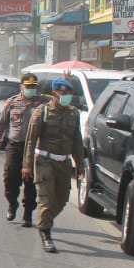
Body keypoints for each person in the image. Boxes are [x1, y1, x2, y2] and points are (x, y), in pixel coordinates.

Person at [22, 78, 84, 254]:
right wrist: (27, 165)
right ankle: (45, 231)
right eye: (63, 93)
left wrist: (80, 163)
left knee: (62, 199)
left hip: (64, 163)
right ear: (55, 94)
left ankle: (44, 219)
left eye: (69, 94)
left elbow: (77, 140)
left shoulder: (74, 114)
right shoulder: (42, 112)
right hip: (44, 162)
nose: (66, 97)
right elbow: (31, 140)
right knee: (46, 199)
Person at [0, 73, 46, 227]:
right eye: (28, 86)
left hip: (34, 148)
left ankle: (27, 214)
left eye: (34, 87)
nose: (31, 89)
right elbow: (1, 126)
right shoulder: (12, 102)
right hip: (15, 145)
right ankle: (12, 204)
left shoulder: (43, 104)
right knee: (10, 179)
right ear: (21, 86)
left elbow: (59, 103)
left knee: (31, 182)